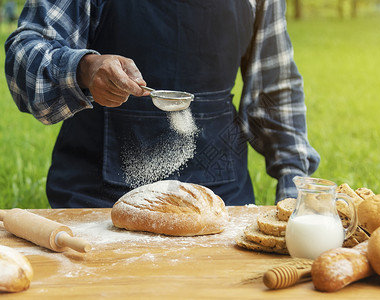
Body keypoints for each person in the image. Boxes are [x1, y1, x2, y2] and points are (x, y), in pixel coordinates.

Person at [4, 0, 320, 208]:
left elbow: (275, 92)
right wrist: (83, 67)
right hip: (99, 203)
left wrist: (296, 190)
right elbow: (24, 56)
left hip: (221, 203)